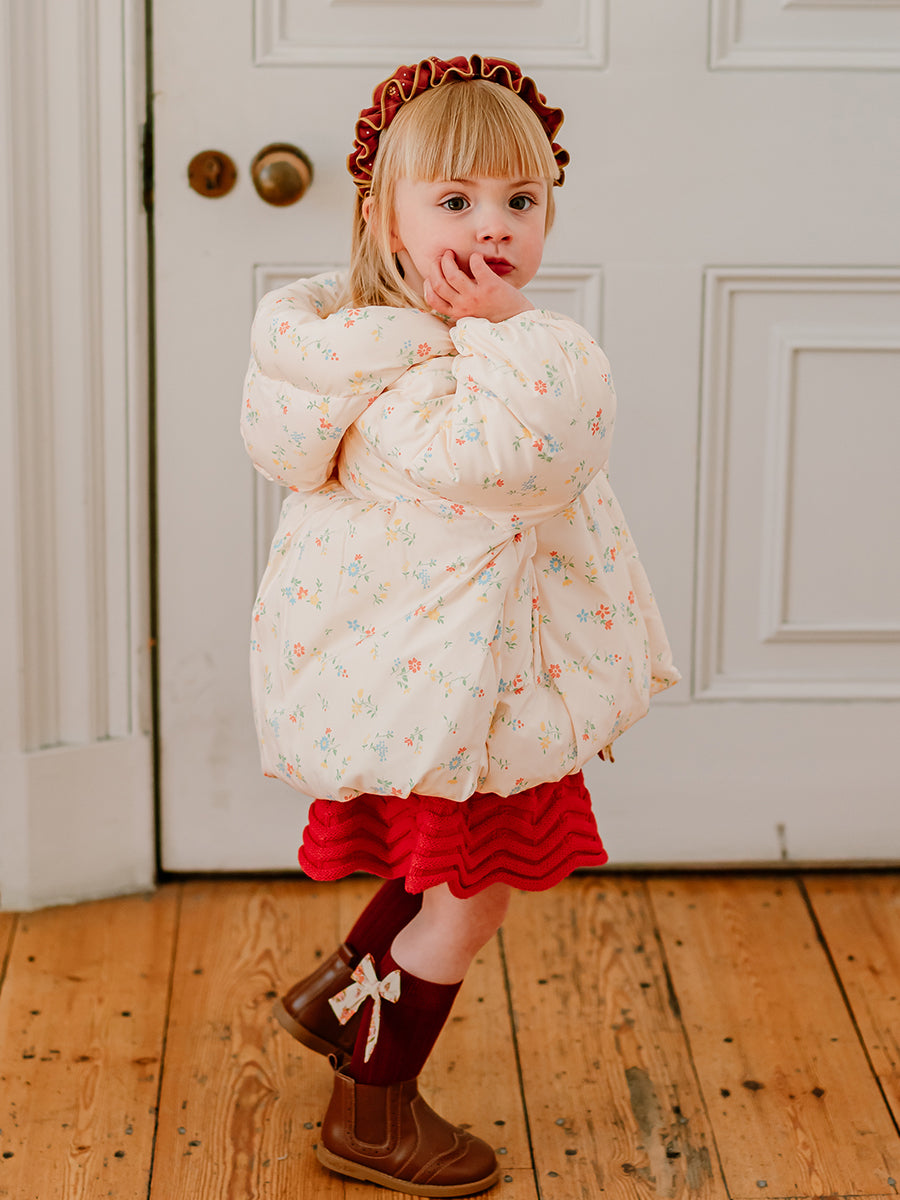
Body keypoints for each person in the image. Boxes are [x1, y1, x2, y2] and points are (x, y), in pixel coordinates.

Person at [241, 54, 679, 1197]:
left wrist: (494, 333)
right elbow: (539, 449)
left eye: (520, 200)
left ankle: (340, 994)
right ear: (381, 217)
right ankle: (371, 1110)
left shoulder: (371, 349)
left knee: (441, 868)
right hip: (463, 699)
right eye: (454, 201)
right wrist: (516, 328)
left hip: (439, 683)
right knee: (470, 896)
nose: (494, 228)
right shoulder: (426, 374)